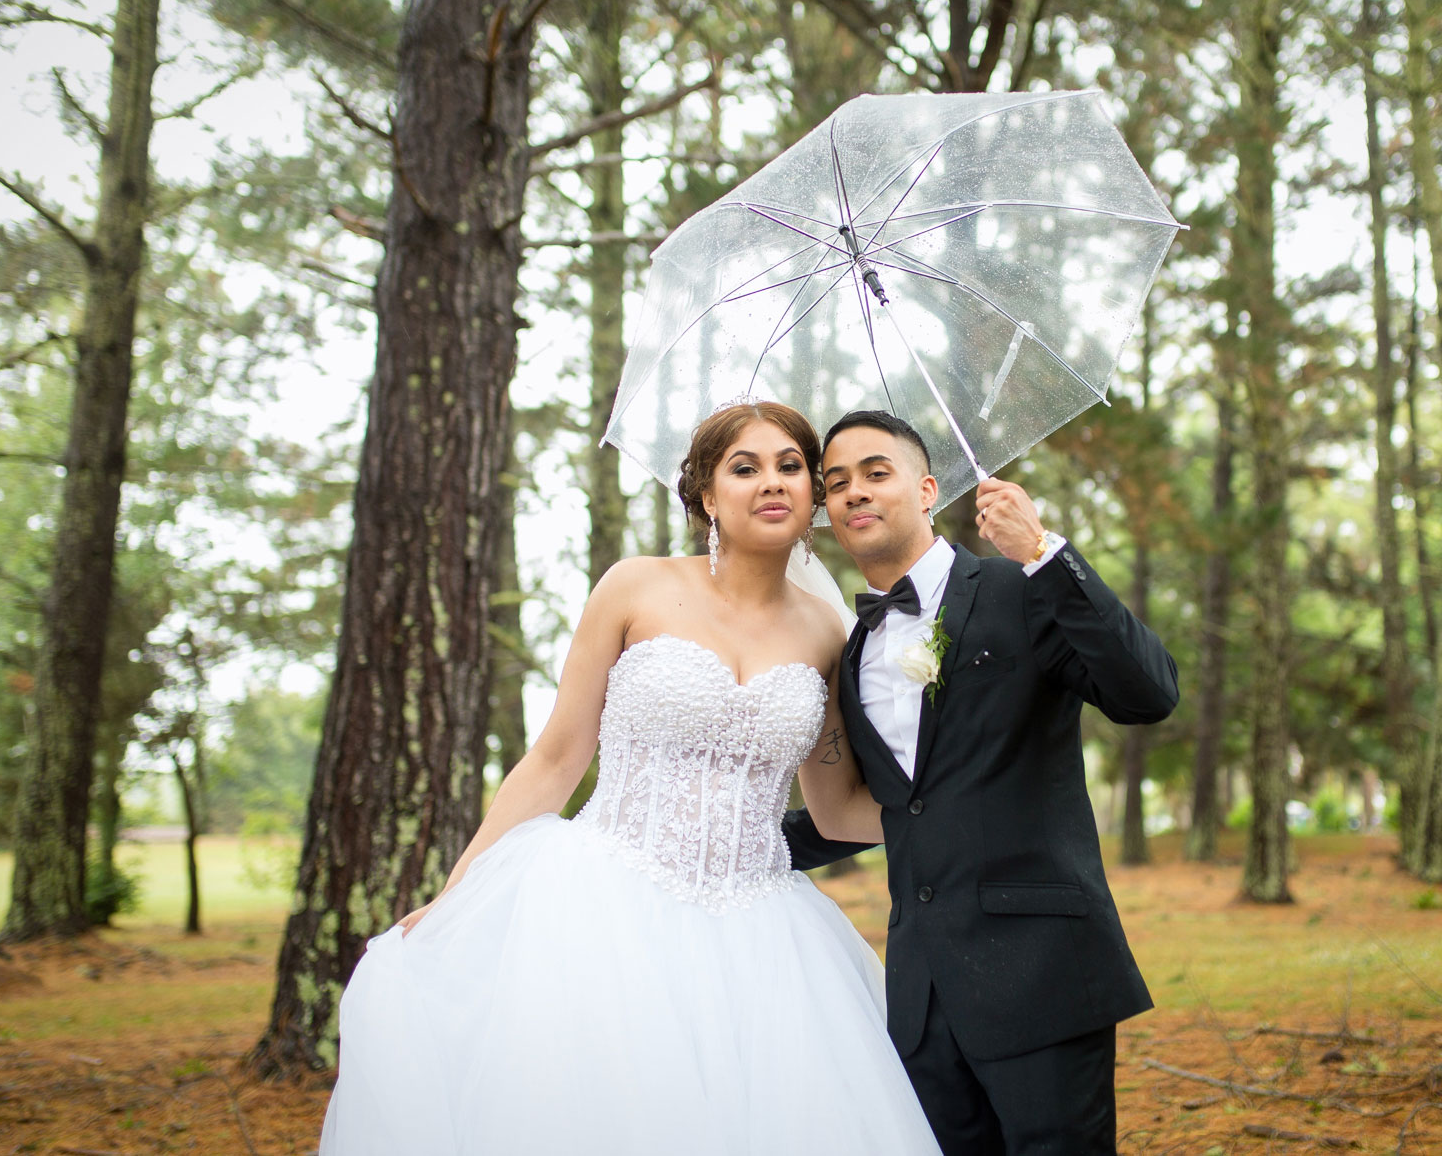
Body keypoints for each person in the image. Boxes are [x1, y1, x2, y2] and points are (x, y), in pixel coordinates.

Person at [320, 401, 941, 1156]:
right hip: (604, 909)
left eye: (789, 467)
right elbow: (555, 758)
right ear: (708, 495)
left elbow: (838, 807)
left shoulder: (828, 629)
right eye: (744, 468)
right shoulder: (635, 587)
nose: (770, 482)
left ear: (812, 495)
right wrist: (459, 892)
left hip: (765, 936)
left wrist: (955, 810)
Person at [785, 410, 1179, 1156]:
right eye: (836, 485)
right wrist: (721, 844)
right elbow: (886, 808)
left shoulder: (1020, 587)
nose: (854, 494)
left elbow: (1147, 692)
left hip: (1043, 976)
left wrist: (1043, 551)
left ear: (928, 488)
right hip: (922, 999)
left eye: (876, 472)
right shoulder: (853, 645)